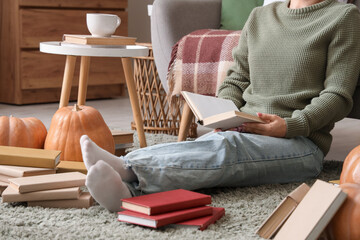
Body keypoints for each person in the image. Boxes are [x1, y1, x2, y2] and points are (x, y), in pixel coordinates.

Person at [80, 0, 360, 212]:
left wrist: (289, 126)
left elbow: (338, 95)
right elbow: (237, 78)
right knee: (216, 144)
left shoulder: (344, 17)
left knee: (228, 149)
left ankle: (129, 169)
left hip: (302, 144)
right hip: (244, 128)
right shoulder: (260, 17)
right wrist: (223, 113)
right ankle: (127, 191)